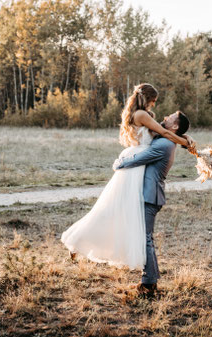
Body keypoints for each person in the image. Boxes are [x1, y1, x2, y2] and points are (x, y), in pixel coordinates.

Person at [60, 83, 194, 283]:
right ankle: (80, 242)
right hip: (134, 166)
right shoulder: (142, 115)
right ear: (147, 98)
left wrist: (184, 136)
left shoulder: (145, 116)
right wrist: (186, 143)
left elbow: (162, 133)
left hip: (138, 169)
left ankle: (147, 278)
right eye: (154, 100)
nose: (158, 108)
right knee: (110, 212)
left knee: (115, 214)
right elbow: (164, 133)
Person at [113, 107, 191, 297]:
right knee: (145, 238)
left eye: (170, 117)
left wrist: (119, 163)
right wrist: (186, 140)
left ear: (174, 126)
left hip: (150, 196)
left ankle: (149, 284)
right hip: (149, 195)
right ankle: (149, 282)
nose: (165, 117)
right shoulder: (165, 140)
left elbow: (139, 159)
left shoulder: (164, 144)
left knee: (146, 238)